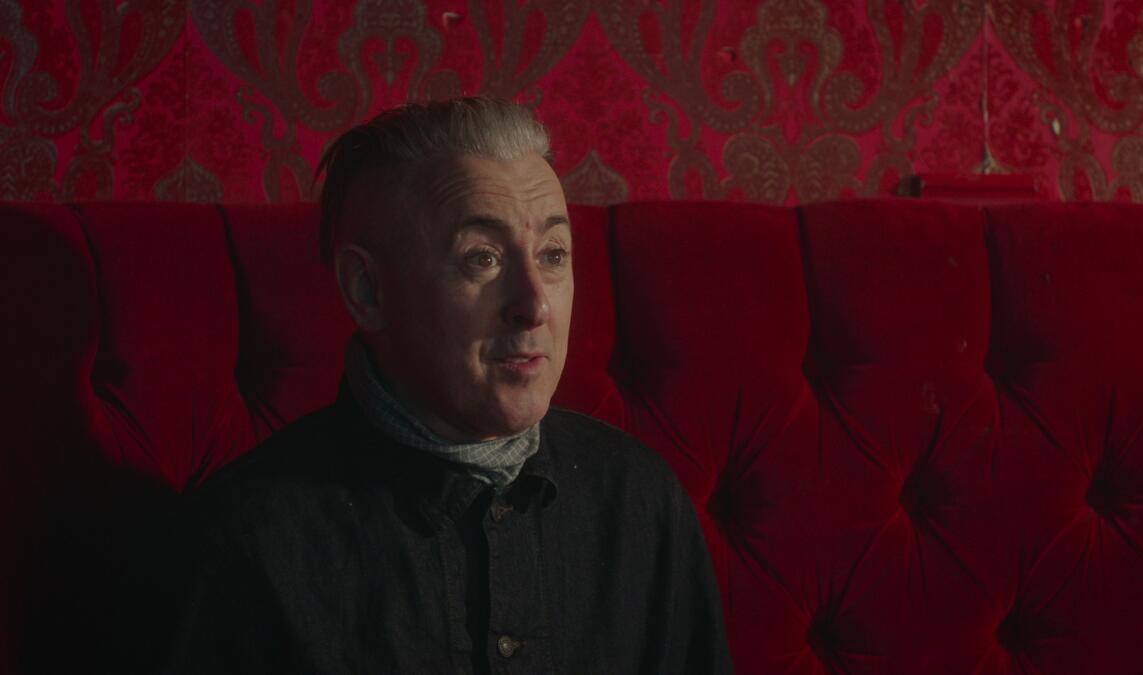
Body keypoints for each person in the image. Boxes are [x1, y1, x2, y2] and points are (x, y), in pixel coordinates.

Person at [164, 97, 733, 674]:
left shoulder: (641, 499)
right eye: (482, 258)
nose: (534, 304)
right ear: (367, 290)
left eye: (553, 254)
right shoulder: (248, 541)